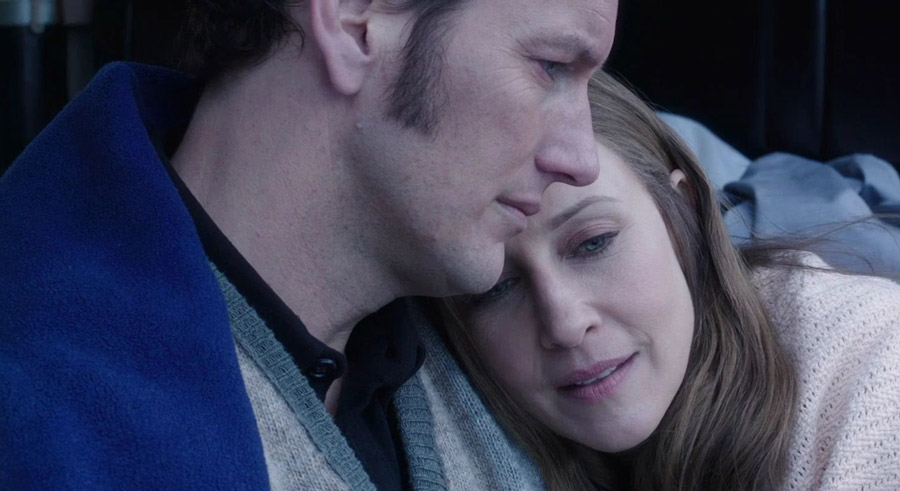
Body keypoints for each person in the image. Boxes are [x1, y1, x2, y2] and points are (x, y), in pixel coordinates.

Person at [0, 0, 619, 488]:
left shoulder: (505, 353)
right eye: (551, 66)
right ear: (351, 20)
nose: (580, 159)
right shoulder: (36, 418)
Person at [435, 71, 900, 490]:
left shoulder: (871, 374)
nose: (565, 324)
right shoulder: (448, 419)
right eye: (494, 287)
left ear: (683, 213)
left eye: (594, 243)